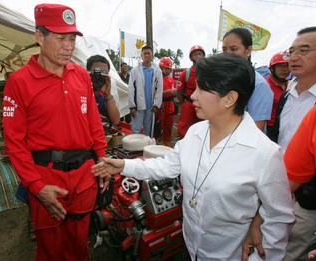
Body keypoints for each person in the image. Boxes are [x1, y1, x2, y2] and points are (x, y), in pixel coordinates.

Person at [92, 53, 295, 260]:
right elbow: (166, 166)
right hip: (190, 248)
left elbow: (278, 220)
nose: (193, 96)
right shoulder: (196, 133)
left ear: (230, 98)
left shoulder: (264, 154)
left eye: (201, 89)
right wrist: (123, 165)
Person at [3, 4, 109, 260]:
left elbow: (93, 122)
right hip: (47, 181)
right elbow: (14, 143)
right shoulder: (19, 82)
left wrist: (103, 160)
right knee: (50, 249)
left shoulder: (81, 75)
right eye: (61, 38)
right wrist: (37, 187)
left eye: (72, 38)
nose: (69, 46)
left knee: (79, 246)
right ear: (39, 36)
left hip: (84, 178)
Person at [242, 27, 316, 261]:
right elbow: (278, 138)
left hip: (312, 199)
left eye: (304, 51)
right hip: (281, 184)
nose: (293, 58)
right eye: (291, 51)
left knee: (294, 251)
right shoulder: (288, 92)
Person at [222, 28, 273, 131]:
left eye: (233, 49)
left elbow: (256, 129)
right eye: (224, 49)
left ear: (248, 50)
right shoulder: (223, 80)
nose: (228, 54)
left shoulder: (258, 85)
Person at [128, 45, 163, 137]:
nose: (147, 55)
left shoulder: (157, 70)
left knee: (148, 131)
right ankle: (136, 150)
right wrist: (132, 106)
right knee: (136, 130)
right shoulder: (135, 70)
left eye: (149, 53)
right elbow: (131, 89)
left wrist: (156, 104)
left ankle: (146, 150)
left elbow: (160, 88)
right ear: (141, 55)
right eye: (145, 53)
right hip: (138, 106)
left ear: (152, 55)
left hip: (150, 107)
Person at [176, 45, 205, 139]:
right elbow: (179, 91)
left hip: (204, 105)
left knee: (203, 130)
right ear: (191, 57)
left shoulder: (208, 73)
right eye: (195, 54)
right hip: (189, 105)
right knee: (184, 131)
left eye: (200, 54)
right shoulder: (186, 73)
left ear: (203, 55)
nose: (197, 56)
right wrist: (184, 103)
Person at [86, 55, 120, 126]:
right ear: (88, 72)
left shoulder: (102, 95)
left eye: (104, 72)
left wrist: (108, 95)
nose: (100, 76)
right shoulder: (79, 91)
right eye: (97, 72)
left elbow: (116, 120)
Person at [265, 52, 290, 139]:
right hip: (269, 128)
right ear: (272, 69)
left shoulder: (290, 85)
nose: (285, 69)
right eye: (280, 66)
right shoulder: (265, 86)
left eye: (287, 65)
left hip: (284, 126)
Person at [158, 57, 177, 147]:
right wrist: (169, 91)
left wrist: (174, 93)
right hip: (160, 106)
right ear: (161, 68)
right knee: (157, 127)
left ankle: (166, 147)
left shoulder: (171, 79)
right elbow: (155, 94)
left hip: (170, 106)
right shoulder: (157, 79)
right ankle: (155, 146)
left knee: (168, 128)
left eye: (169, 69)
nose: (167, 71)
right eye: (166, 68)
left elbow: (174, 93)